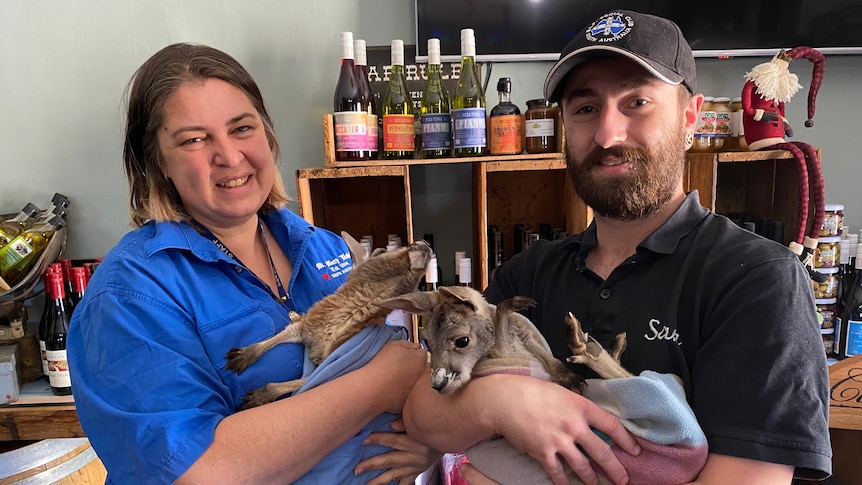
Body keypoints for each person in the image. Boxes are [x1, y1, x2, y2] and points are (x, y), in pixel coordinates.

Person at [403, 9, 832, 485]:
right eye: (586, 109)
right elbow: (424, 413)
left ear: (691, 117)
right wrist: (505, 403)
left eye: (637, 102)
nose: (608, 135)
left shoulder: (756, 280)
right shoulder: (528, 275)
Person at [67, 43, 437, 484]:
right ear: (157, 163)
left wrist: (425, 437)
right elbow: (200, 470)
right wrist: (378, 387)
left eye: (242, 128)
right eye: (194, 139)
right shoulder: (132, 292)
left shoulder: (323, 249)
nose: (228, 155)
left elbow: (400, 376)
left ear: (267, 135)